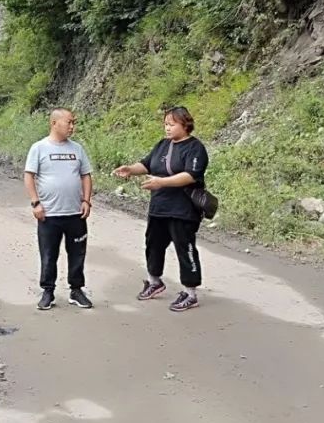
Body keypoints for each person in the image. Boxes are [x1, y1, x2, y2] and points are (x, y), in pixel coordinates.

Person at [112, 106, 209, 312]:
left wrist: (161, 182)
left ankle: (190, 292)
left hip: (183, 209)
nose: (167, 128)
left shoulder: (195, 148)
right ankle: (154, 281)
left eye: (171, 124)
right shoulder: (162, 145)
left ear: (185, 124)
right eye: (165, 124)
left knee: (185, 247)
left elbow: (191, 175)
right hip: (159, 207)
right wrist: (130, 169)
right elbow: (147, 165)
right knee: (153, 244)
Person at [24, 108, 94, 311]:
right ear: (54, 123)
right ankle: (48, 291)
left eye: (74, 122)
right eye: (69, 122)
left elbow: (86, 175)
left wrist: (86, 201)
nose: (72, 126)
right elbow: (29, 176)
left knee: (77, 254)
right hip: (49, 214)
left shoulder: (77, 149)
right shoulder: (39, 148)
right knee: (48, 254)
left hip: (75, 213)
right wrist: (35, 203)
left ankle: (76, 290)